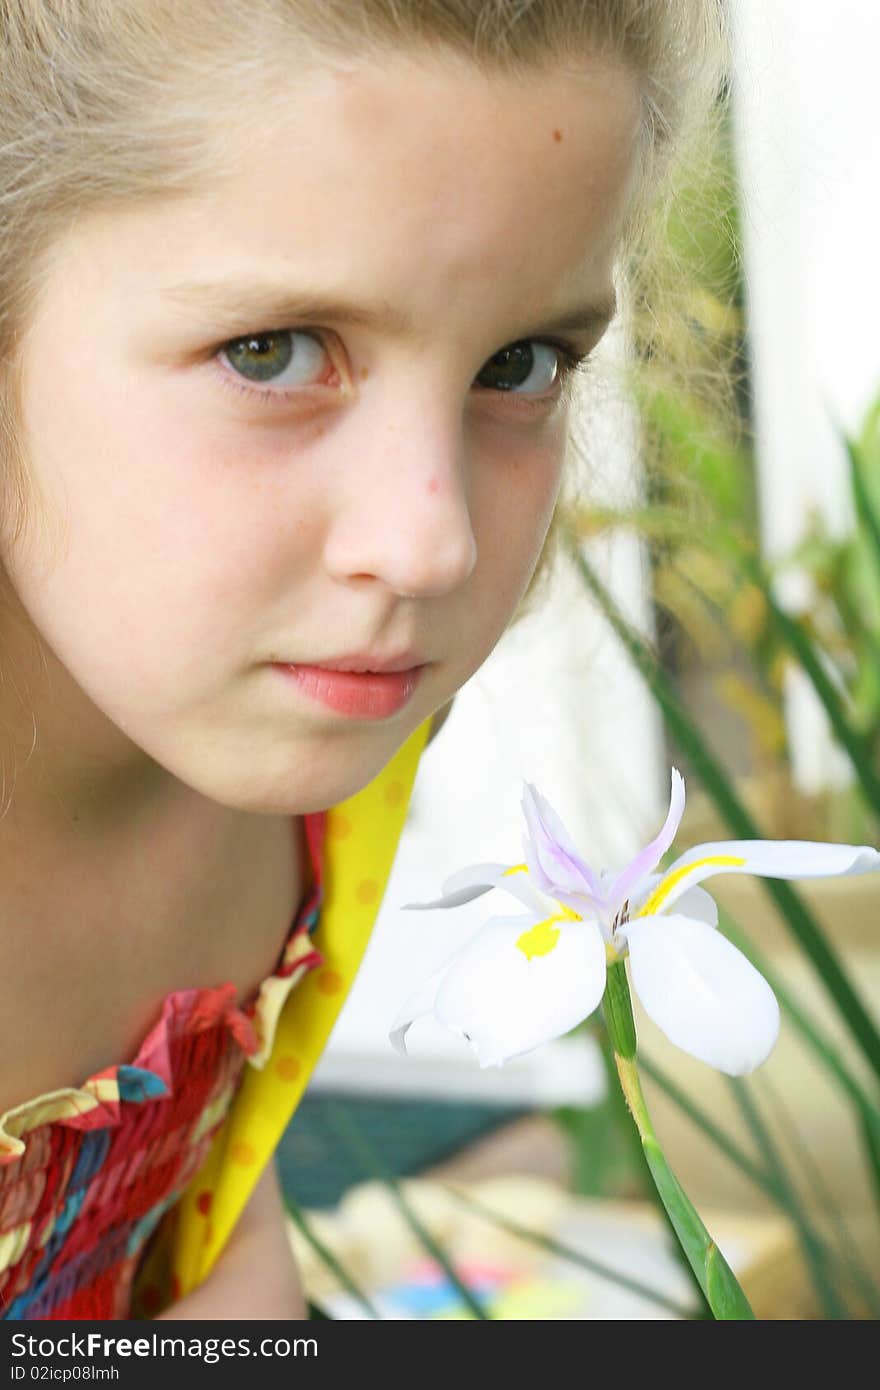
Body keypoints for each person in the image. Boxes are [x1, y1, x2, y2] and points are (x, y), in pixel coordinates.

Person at [0, 0, 727, 1320]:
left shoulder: (323, 752)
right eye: (271, 352)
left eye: (520, 362)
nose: (429, 543)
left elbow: (209, 1233)